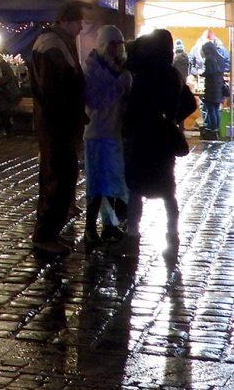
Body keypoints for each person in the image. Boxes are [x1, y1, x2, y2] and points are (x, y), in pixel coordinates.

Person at [123, 29, 197, 259]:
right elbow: (190, 103)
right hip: (164, 139)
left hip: (143, 138)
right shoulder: (172, 74)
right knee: (167, 189)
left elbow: (133, 110)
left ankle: (132, 233)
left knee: (136, 186)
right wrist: (172, 119)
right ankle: (172, 233)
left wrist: (127, 130)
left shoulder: (143, 77)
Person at [28, 1, 88, 256]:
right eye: (76, 21)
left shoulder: (57, 42)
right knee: (59, 176)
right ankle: (45, 234)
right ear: (64, 21)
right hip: (57, 121)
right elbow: (53, 89)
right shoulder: (52, 45)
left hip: (58, 120)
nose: (80, 26)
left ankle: (49, 231)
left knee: (58, 175)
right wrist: (72, 110)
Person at [81, 25, 131, 251]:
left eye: (119, 44)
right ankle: (89, 227)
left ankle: (109, 225)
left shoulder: (121, 68)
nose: (116, 49)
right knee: (96, 182)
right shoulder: (92, 68)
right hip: (97, 132)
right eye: (112, 44)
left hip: (115, 132)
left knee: (112, 181)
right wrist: (120, 86)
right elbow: (95, 100)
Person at [200, 39, 230, 140]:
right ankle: (216, 130)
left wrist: (202, 73)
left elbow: (209, 72)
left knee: (211, 110)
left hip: (211, 88)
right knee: (216, 110)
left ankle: (213, 130)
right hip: (219, 87)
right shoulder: (220, 57)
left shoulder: (209, 59)